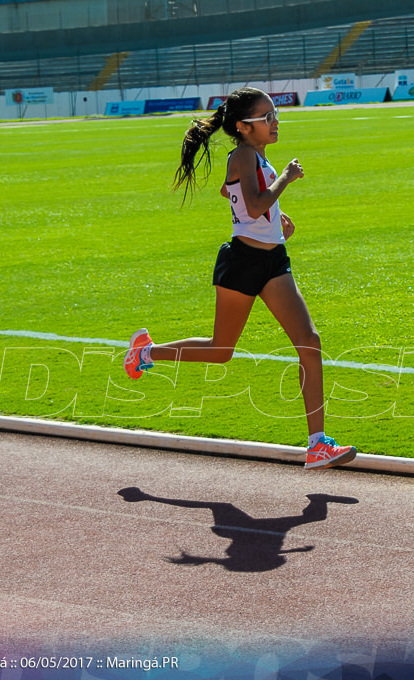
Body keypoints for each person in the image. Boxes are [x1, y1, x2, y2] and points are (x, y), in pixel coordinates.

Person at [123, 86, 356, 470]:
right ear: (244, 127)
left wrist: (272, 221)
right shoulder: (245, 155)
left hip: (273, 262)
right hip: (244, 263)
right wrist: (285, 180)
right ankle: (145, 352)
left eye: (274, 114)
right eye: (267, 117)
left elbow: (234, 196)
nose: (275, 121)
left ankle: (317, 444)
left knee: (309, 341)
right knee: (221, 351)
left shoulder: (256, 157)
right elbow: (254, 203)